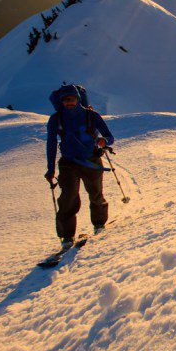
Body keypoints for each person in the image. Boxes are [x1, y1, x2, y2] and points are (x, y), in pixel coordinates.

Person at [44, 84, 115, 245]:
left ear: (77, 98)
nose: (69, 102)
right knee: (68, 198)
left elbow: (109, 137)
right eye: (65, 100)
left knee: (96, 194)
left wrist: (104, 141)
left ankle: (99, 224)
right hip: (69, 163)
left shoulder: (91, 116)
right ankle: (67, 236)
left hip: (91, 160)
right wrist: (50, 168)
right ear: (61, 101)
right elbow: (51, 144)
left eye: (72, 99)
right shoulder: (56, 119)